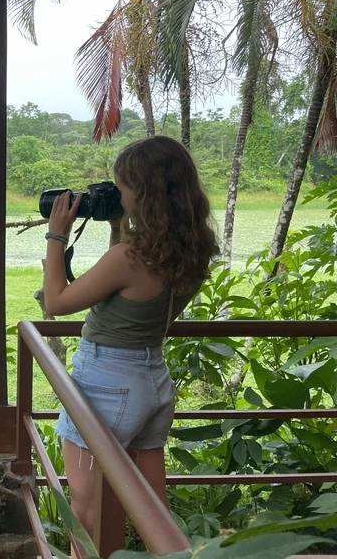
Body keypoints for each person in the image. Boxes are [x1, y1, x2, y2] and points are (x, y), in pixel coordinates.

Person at [43, 135, 219, 546]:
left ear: (143, 193)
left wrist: (56, 237)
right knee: (154, 510)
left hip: (107, 385)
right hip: (152, 381)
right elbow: (127, 294)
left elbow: (56, 300)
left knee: (85, 515)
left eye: (122, 188)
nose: (117, 195)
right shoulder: (192, 251)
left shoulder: (131, 257)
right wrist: (117, 227)